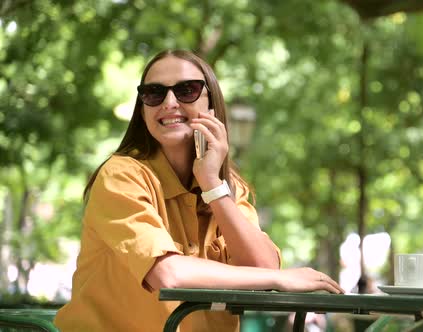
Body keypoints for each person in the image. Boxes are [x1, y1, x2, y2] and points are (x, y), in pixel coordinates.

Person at [54, 49, 343, 332]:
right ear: (143, 110)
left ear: (211, 105)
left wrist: (212, 186)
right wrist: (281, 279)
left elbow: (263, 265)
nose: (169, 102)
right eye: (154, 93)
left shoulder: (227, 185)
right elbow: (168, 273)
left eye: (187, 90)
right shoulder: (121, 176)